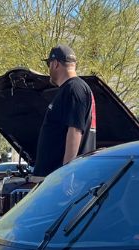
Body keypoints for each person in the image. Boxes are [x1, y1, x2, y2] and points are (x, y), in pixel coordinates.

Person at [33, 45, 95, 178]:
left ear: (55, 64)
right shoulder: (73, 88)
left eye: (49, 64)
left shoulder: (74, 88)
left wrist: (67, 173)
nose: (49, 69)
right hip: (54, 177)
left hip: (60, 178)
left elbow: (75, 131)